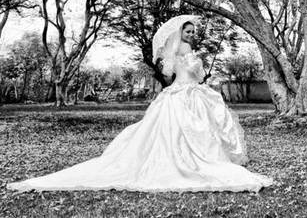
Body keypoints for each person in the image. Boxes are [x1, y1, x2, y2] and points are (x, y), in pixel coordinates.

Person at [7, 18, 274, 193]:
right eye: (188, 31)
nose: (192, 34)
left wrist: (194, 65)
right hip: (184, 93)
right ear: (180, 33)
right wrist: (195, 64)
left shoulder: (183, 49)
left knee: (192, 131)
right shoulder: (183, 50)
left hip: (187, 92)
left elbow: (172, 74)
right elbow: (191, 74)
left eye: (193, 31)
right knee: (187, 131)